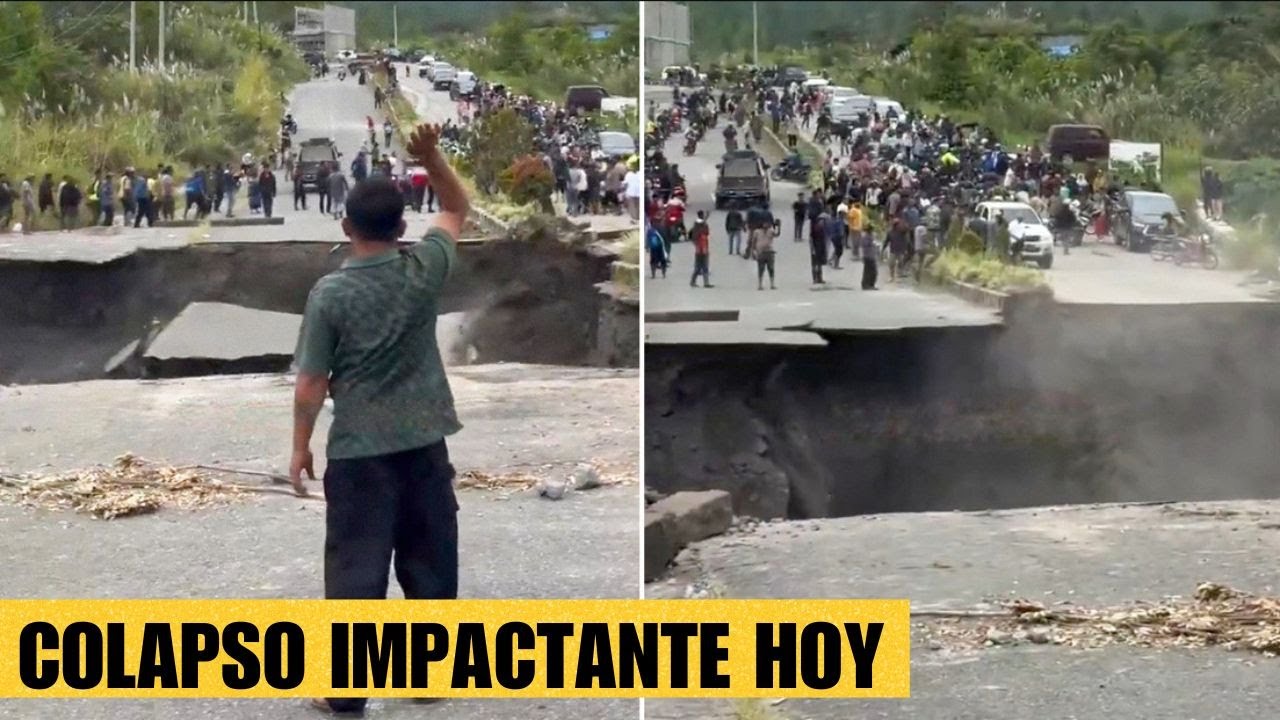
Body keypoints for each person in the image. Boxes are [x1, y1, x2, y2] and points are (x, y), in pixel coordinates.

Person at [291, 123, 469, 717]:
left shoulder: (330, 295)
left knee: (356, 566)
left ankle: (345, 691)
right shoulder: (424, 272)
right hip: (424, 441)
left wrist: (299, 448)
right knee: (429, 557)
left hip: (359, 451)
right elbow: (457, 206)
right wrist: (432, 158)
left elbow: (312, 382)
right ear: (400, 227)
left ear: (346, 228)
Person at [689, 210, 712, 288]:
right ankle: (705, 283)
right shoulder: (703, 226)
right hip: (703, 249)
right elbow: (706, 231)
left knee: (698, 267)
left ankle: (693, 281)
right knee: (704, 267)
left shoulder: (696, 227)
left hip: (698, 250)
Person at [809, 208, 829, 284]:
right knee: (815, 264)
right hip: (815, 246)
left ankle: (819, 278)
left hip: (820, 246)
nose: (823, 222)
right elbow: (811, 239)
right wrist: (812, 249)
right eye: (822, 221)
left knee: (819, 263)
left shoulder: (822, 228)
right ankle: (815, 278)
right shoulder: (815, 228)